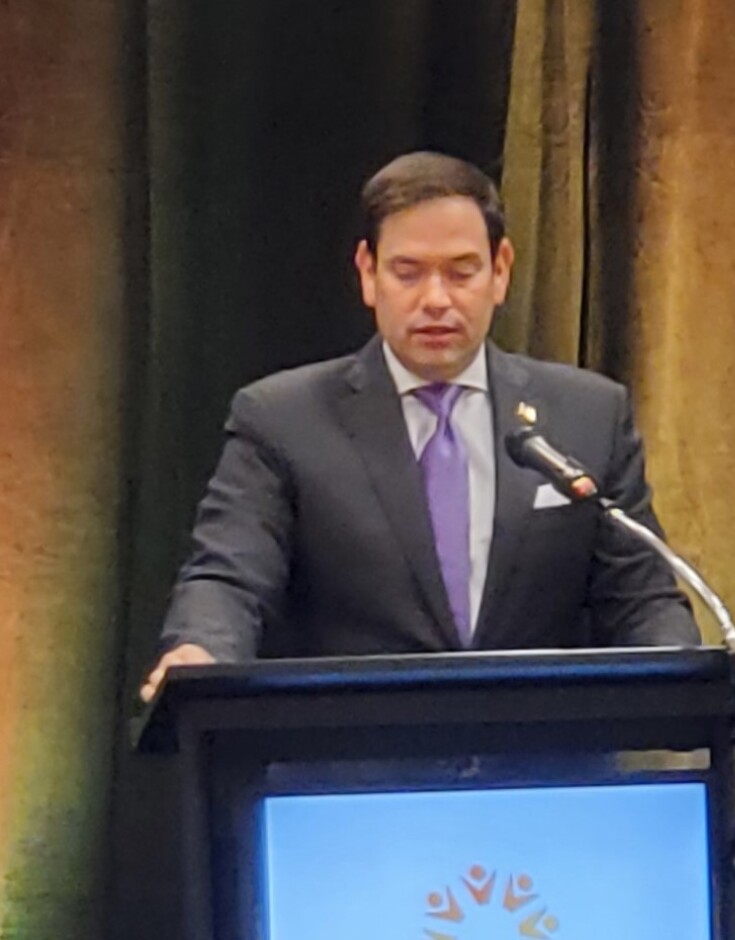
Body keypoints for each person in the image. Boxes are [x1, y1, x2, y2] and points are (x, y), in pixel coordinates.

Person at [140, 151, 699, 703]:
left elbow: (640, 596)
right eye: (408, 273)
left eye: (462, 272)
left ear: (500, 270)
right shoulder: (283, 419)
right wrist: (201, 650)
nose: (436, 300)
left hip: (541, 773)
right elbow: (230, 575)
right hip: (354, 773)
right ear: (368, 273)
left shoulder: (587, 415)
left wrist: (684, 672)